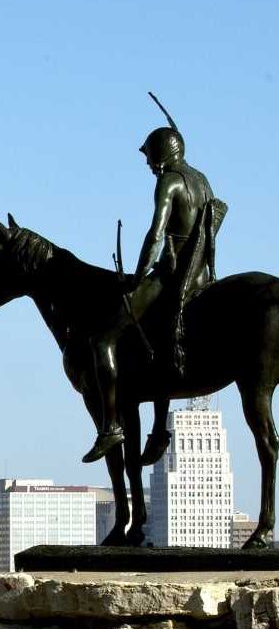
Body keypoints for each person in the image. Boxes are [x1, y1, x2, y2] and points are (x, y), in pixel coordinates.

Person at [82, 118, 223, 464]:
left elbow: (156, 235)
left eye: (148, 156)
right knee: (156, 346)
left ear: (161, 153)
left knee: (102, 340)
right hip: (201, 277)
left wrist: (138, 276)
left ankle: (111, 426)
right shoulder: (202, 180)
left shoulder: (169, 182)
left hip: (170, 278)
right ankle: (159, 430)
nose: (147, 163)